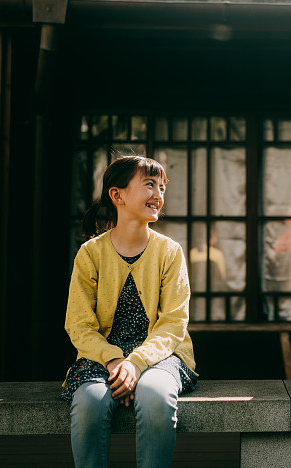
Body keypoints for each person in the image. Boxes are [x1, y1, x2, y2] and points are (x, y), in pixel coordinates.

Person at [61, 155, 197, 468]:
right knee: (89, 404)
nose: (159, 195)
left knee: (155, 397)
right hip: (102, 359)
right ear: (117, 195)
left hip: (162, 358)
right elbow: (78, 323)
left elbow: (174, 324)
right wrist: (114, 360)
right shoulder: (90, 254)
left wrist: (135, 364)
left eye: (162, 187)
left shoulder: (170, 252)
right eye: (149, 184)